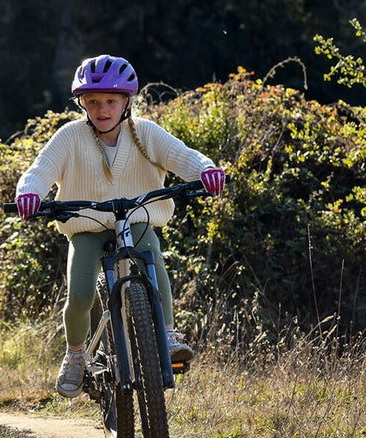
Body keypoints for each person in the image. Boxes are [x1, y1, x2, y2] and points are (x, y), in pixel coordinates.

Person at [16, 54, 226, 399]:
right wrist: (29, 193)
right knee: (80, 293)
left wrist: (207, 170)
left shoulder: (145, 133)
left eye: (111, 101)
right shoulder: (69, 136)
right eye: (93, 102)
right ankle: (75, 355)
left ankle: (167, 335)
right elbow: (40, 171)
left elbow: (183, 155)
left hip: (136, 220)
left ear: (127, 102)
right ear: (82, 104)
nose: (102, 109)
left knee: (153, 261)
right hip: (86, 225)